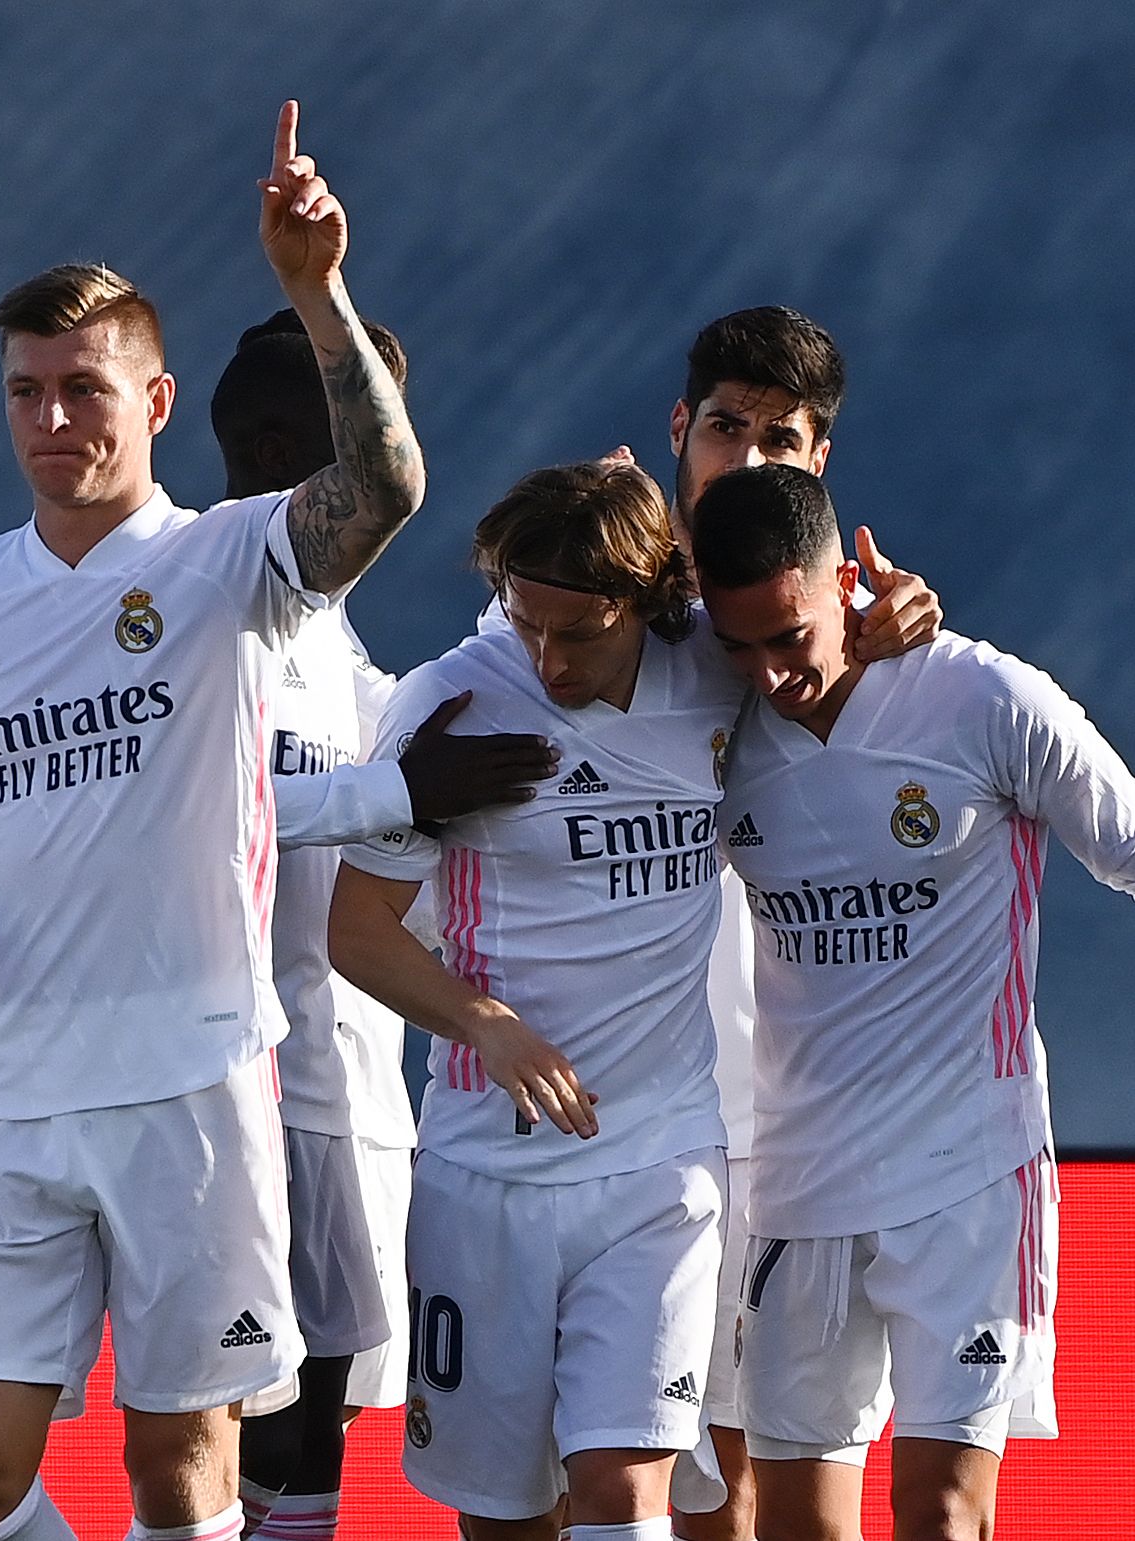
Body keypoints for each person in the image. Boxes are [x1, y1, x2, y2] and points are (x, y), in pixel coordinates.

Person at [0, 100, 422, 1541]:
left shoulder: (225, 557)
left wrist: (314, 289)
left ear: (155, 404)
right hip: (9, 1100)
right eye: (26, 390)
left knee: (179, 1474)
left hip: (190, 1089)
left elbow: (384, 490)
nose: (54, 419)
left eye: (86, 389)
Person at [691, 463, 1132, 1541]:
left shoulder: (983, 699)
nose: (768, 673)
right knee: (798, 1525)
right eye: (737, 645)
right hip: (800, 1184)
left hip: (968, 1173)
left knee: (938, 1511)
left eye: (788, 636)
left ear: (845, 580)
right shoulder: (704, 715)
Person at [331, 458, 735, 1541]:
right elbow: (355, 929)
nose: (547, 660)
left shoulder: (715, 667)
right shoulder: (449, 701)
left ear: (648, 601)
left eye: (580, 633)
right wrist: (481, 1019)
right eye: (526, 624)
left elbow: (825, 652)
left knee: (620, 1489)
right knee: (508, 1515)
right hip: (485, 1176)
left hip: (660, 1162)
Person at [209, 310, 558, 1541]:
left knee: (308, 1445)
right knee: (204, 1438)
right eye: (362, 437)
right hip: (214, 1101)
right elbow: (172, 812)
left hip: (355, 1107)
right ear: (261, 442)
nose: (389, 473)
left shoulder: (363, 676)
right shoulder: (187, 623)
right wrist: (392, 792)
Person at [659, 305, 938, 1540]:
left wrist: (900, 621)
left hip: (786, 1119)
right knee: (626, 1474)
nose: (751, 456)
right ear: (681, 428)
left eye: (783, 437)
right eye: (728, 427)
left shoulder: (845, 622)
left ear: (818, 461)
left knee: (762, 1476)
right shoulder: (606, 596)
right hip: (626, 1108)